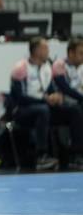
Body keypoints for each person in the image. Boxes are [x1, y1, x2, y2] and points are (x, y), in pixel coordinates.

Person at [10, 37, 83, 170]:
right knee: (43, 110)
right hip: (23, 111)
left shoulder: (47, 68)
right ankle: (41, 156)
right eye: (45, 48)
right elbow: (19, 97)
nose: (48, 51)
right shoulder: (20, 68)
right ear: (37, 50)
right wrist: (45, 100)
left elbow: (50, 90)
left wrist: (55, 97)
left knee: (74, 111)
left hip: (44, 108)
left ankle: (76, 155)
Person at [52, 37, 83, 106]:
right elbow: (65, 89)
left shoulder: (81, 66)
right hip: (65, 101)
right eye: (81, 53)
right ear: (71, 53)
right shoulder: (59, 64)